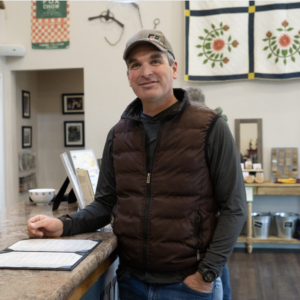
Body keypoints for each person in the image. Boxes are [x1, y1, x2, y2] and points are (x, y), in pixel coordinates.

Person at [27, 29, 247, 300]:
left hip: (188, 285)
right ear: (129, 77)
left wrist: (206, 275)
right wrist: (63, 224)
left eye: (155, 61)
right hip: (132, 281)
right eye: (135, 65)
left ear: (173, 68)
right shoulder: (118, 134)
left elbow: (234, 208)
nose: (146, 71)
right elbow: (105, 205)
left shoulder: (210, 127)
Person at [184, 86, 232, 300]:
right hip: (208, 227)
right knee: (220, 274)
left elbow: (232, 205)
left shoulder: (213, 133)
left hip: (208, 228)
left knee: (216, 277)